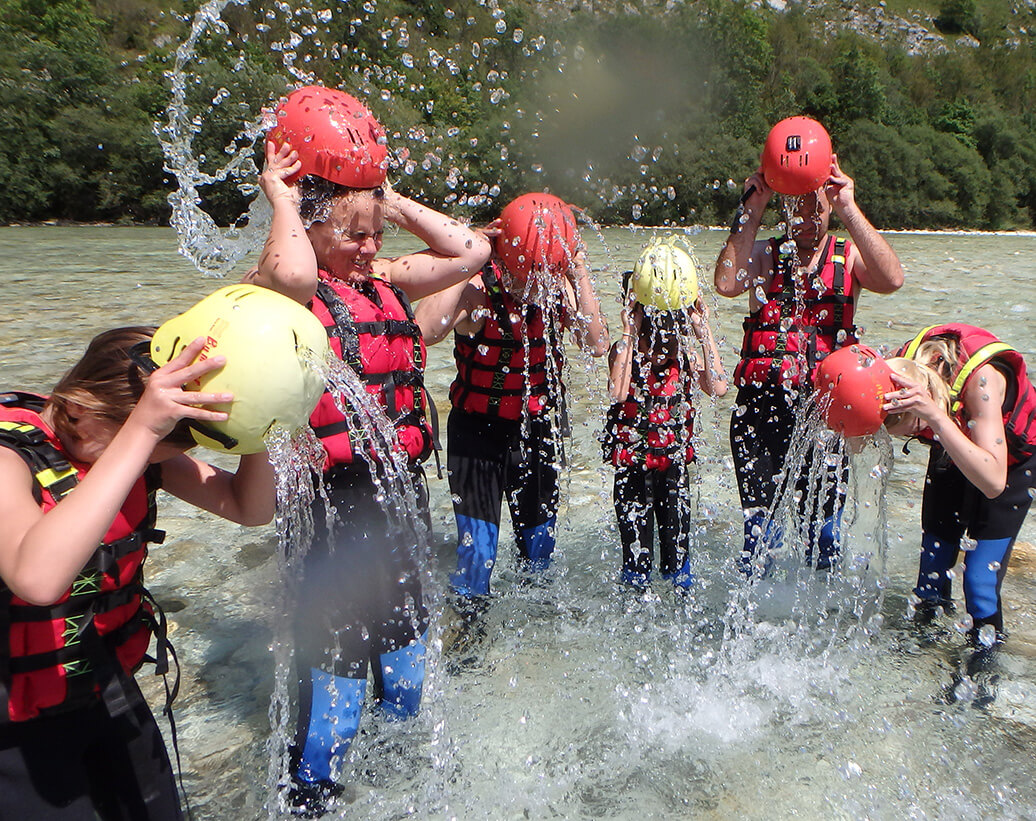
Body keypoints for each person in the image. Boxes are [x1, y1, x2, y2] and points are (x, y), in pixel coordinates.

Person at [249, 137, 491, 814]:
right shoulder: (286, 291)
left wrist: (383, 198)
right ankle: (311, 796)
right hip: (332, 512)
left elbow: (471, 251)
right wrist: (282, 197)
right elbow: (295, 273)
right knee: (336, 695)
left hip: (400, 501)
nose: (367, 246)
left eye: (375, 235)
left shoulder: (384, 280)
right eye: (354, 235)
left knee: (409, 684)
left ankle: (398, 789)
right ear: (311, 226)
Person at [0, 328, 275, 820]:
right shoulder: (7, 458)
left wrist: (265, 425)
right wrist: (142, 434)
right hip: (14, 717)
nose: (143, 466)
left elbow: (247, 507)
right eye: (143, 449)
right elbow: (36, 579)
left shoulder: (132, 450)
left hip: (100, 681)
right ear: (80, 412)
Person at [713, 152, 904, 572]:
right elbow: (726, 282)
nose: (805, 217)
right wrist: (753, 205)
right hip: (760, 414)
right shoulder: (764, 255)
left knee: (825, 534)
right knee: (760, 535)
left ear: (827, 207)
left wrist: (849, 206)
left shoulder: (848, 257)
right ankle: (754, 621)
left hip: (824, 415)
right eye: (795, 207)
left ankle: (823, 613)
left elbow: (892, 279)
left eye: (815, 207)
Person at [414, 194, 608, 600]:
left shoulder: (555, 291)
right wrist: (466, 257)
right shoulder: (476, 292)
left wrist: (578, 270)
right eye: (530, 274)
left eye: (546, 272)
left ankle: (535, 654)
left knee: (539, 559)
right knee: (476, 561)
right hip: (476, 438)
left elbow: (596, 343)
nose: (536, 284)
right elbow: (425, 331)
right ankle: (470, 647)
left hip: (535, 434)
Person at [883, 323, 1036, 645]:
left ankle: (981, 677)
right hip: (952, 441)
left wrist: (937, 420)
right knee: (931, 573)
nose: (917, 437)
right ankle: (921, 654)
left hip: (1010, 462)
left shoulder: (982, 382)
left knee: (979, 582)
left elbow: (994, 483)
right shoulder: (898, 371)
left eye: (916, 430)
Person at [603, 284, 727, 589]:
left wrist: (703, 330)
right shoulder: (625, 353)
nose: (659, 352)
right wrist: (630, 330)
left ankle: (680, 608)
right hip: (633, 472)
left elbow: (719, 388)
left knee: (677, 558)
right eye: (651, 340)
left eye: (668, 343)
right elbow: (618, 394)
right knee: (635, 563)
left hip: (673, 471)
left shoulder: (686, 360)